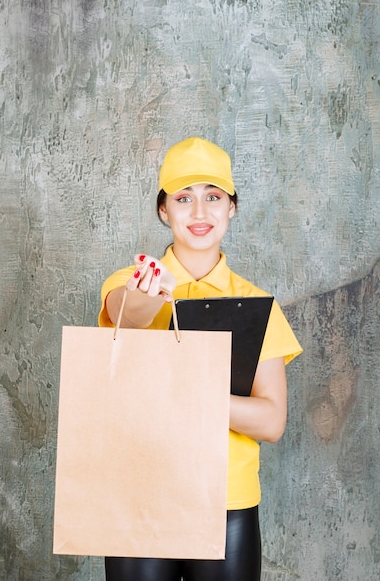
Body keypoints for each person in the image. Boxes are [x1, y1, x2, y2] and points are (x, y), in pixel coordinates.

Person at [98, 137, 302, 581]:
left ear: (232, 207)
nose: (199, 212)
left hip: (226, 504)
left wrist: (196, 394)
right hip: (140, 495)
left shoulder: (257, 305)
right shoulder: (132, 282)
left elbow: (271, 421)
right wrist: (146, 295)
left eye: (213, 197)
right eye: (183, 198)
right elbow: (125, 314)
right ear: (163, 210)